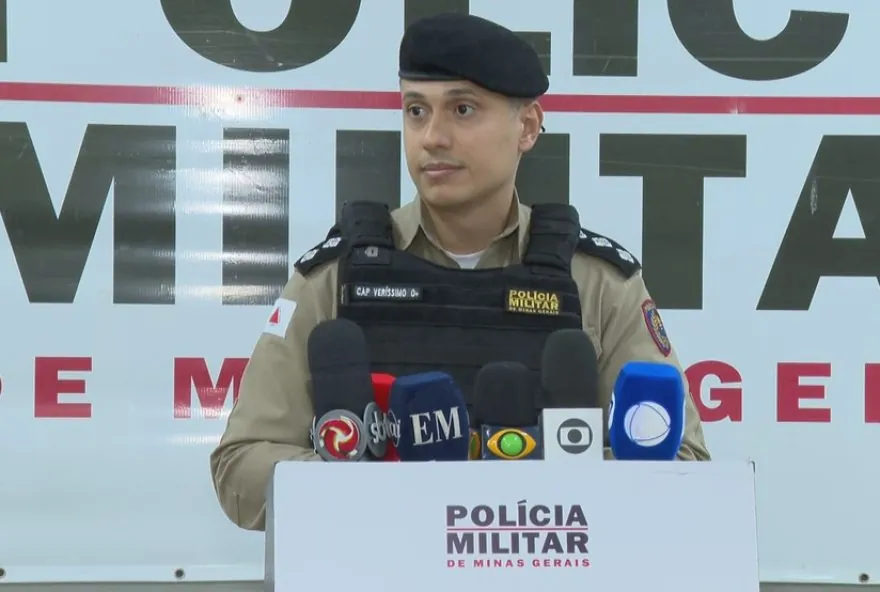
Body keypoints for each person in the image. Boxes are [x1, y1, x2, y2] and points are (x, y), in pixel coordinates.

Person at [210, 12, 711, 531]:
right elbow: (241, 467)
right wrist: (373, 486)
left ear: (527, 127)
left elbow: (685, 465)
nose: (433, 137)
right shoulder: (333, 280)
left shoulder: (597, 283)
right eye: (416, 110)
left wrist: (534, 491)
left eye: (463, 110)